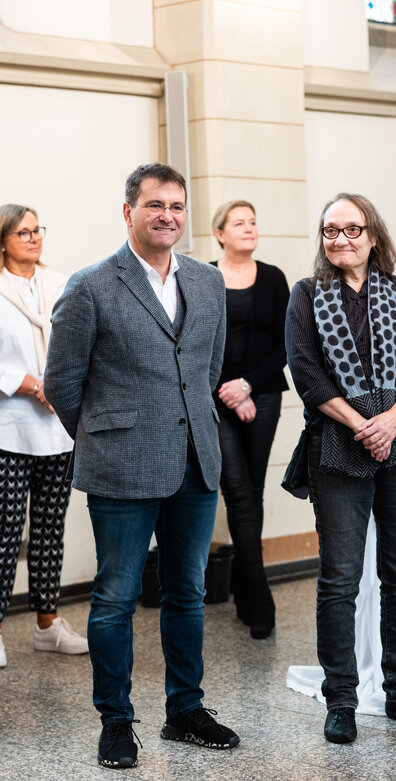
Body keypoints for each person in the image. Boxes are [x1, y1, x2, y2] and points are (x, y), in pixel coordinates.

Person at [44, 164, 239, 769]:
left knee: (188, 593)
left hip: (195, 462)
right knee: (115, 599)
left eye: (177, 206)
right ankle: (116, 721)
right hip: (120, 466)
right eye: (155, 205)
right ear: (128, 211)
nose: (167, 216)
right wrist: (106, 437)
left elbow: (207, 371)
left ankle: (185, 710)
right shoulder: (90, 286)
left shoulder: (207, 281)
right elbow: (62, 384)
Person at [285, 192, 396, 744]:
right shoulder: (306, 294)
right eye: (330, 230)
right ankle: (341, 699)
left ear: (373, 236)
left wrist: (391, 420)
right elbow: (307, 375)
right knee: (340, 578)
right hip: (337, 443)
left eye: (352, 229)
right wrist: (363, 425)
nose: (341, 239)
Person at [0, 203, 88, 668]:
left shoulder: (60, 284)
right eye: (23, 232)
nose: (34, 238)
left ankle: (47, 625)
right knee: (5, 532)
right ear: (3, 241)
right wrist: (34, 384)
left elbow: (78, 341)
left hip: (58, 428)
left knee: (50, 529)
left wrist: (62, 385)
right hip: (11, 428)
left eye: (37, 230)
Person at [210, 201, 289, 639]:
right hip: (215, 399)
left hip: (263, 394)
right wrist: (228, 389)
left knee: (253, 491)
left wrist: (247, 385)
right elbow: (194, 343)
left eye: (253, 222)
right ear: (220, 234)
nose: (249, 228)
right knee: (238, 492)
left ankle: (243, 587)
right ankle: (259, 596)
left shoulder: (274, 278)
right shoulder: (201, 277)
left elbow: (284, 345)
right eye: (239, 223)